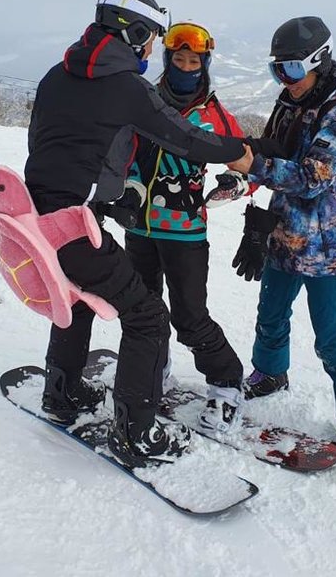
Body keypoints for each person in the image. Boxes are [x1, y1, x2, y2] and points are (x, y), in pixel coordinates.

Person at [23, 0, 252, 466]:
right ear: (138, 34)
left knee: (79, 297)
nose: (153, 54)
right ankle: (137, 434)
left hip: (44, 220)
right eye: (154, 43)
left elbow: (56, 145)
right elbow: (184, 138)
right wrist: (235, 153)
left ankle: (61, 394)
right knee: (149, 318)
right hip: (85, 223)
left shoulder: (54, 76)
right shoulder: (127, 88)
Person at [227, 16, 336, 458]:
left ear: (319, 62)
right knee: (271, 314)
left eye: (292, 70)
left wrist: (251, 166)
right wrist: (240, 179)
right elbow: (273, 151)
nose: (285, 80)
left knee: (329, 336)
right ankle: (271, 373)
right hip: (285, 231)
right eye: (278, 70)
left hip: (328, 245)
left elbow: (314, 177)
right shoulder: (290, 103)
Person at [122, 22, 254, 433]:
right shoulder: (143, 100)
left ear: (204, 65)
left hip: (185, 233)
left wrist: (235, 182)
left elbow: (246, 163)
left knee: (189, 316)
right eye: (178, 60)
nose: (185, 67)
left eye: (193, 62)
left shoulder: (213, 115)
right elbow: (122, 150)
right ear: (167, 60)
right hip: (138, 227)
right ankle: (153, 371)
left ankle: (227, 384)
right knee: (142, 312)